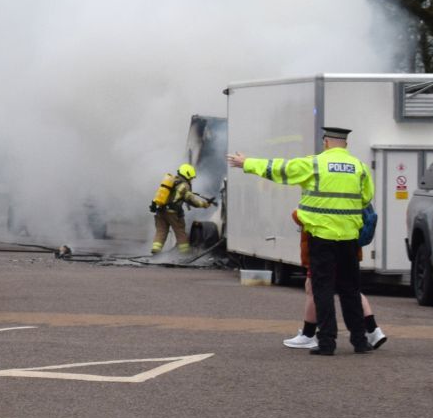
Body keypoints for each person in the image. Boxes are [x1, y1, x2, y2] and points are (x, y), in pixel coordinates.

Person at [227, 125, 373, 355]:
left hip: (321, 237)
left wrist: (246, 163)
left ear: (325, 142)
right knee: (351, 291)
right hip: (349, 238)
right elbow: (366, 199)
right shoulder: (360, 168)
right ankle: (360, 341)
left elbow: (279, 169)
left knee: (322, 289)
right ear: (345, 144)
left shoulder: (314, 164)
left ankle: (327, 343)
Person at [283, 210, 387, 350]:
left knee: (317, 288)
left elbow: (299, 216)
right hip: (349, 241)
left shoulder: (321, 193)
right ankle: (371, 331)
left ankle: (311, 335)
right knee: (351, 290)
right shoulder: (353, 192)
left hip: (324, 243)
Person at [149, 163, 213, 255]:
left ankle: (155, 251)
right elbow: (191, 200)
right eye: (191, 177)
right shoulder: (184, 185)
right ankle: (185, 253)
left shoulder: (171, 181)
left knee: (161, 231)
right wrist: (204, 204)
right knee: (180, 232)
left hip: (160, 210)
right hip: (173, 213)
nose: (191, 180)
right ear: (187, 174)